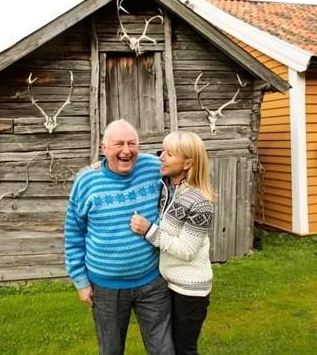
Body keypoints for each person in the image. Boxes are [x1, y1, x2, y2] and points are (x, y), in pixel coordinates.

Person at [64, 119, 174, 355]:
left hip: (152, 280)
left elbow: (185, 166)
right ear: (104, 148)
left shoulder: (153, 167)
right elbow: (74, 234)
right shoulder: (86, 182)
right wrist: (81, 281)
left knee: (164, 349)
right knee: (111, 350)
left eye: (132, 143)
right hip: (106, 287)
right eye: (119, 144)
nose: (127, 150)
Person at [131, 131, 215, 355]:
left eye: (169, 153)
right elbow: (138, 163)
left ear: (187, 163)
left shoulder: (200, 202)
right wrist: (100, 167)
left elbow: (187, 250)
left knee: (183, 349)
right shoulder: (167, 187)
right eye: (162, 151)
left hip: (189, 291)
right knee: (167, 347)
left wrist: (149, 230)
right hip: (167, 283)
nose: (161, 157)